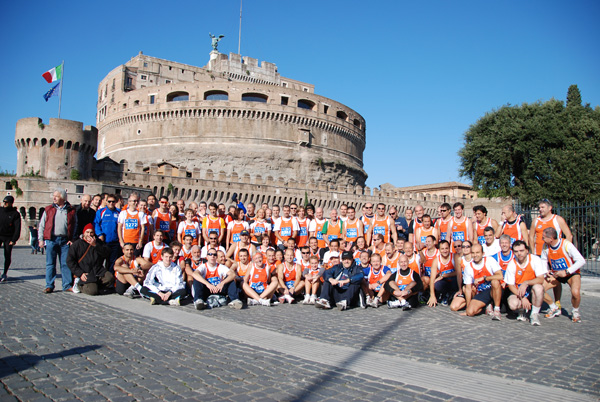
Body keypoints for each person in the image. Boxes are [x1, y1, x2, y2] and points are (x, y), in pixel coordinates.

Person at [541, 227, 585, 323]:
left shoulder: (566, 244)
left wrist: (567, 271)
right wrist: (546, 271)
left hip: (571, 273)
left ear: (551, 238)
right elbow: (543, 260)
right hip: (556, 274)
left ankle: (575, 311)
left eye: (543, 237)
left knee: (575, 293)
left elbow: (581, 260)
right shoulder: (545, 246)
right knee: (539, 290)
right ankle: (554, 307)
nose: (542, 239)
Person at [39, 188, 76, 293]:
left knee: (65, 263)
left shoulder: (70, 210)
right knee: (50, 263)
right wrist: (41, 239)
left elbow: (75, 225)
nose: (54, 198)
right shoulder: (48, 209)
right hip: (51, 239)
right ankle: (49, 285)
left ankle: (67, 285)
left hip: (65, 240)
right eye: (54, 196)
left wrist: (72, 238)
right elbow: (42, 225)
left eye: (57, 196)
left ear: (63, 198)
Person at [505, 240, 547, 325]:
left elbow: (541, 279)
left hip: (531, 290)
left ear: (527, 250)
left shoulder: (535, 260)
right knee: (513, 304)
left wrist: (526, 283)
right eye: (516, 251)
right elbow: (510, 285)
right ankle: (521, 310)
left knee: (539, 288)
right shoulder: (512, 264)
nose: (519, 253)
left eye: (521, 251)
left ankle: (534, 314)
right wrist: (522, 298)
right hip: (518, 292)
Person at [67, 224, 115, 295]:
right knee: (93, 291)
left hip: (98, 270)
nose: (89, 234)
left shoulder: (98, 242)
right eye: (87, 232)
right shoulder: (77, 244)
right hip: (85, 271)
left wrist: (95, 245)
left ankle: (96, 286)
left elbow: (106, 253)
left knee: (110, 278)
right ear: (84, 233)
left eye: (91, 232)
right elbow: (70, 261)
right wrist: (80, 273)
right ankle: (79, 285)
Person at [462, 244, 503, 320]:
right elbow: (468, 289)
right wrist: (468, 307)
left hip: (494, 290)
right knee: (470, 312)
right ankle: (486, 306)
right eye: (473, 253)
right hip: (482, 293)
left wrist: (485, 278)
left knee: (495, 282)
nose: (475, 255)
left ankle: (497, 310)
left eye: (477, 252)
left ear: (483, 253)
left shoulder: (490, 260)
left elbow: (500, 276)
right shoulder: (468, 268)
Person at [94, 194, 121, 272]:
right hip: (103, 241)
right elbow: (96, 224)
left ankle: (110, 281)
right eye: (109, 201)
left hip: (114, 242)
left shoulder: (119, 212)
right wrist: (99, 234)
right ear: (106, 201)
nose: (111, 203)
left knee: (112, 263)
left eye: (113, 201)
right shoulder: (101, 212)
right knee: (100, 261)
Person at [427, 240, 459, 307]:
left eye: (446, 248)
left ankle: (454, 294)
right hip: (445, 283)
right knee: (436, 284)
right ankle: (445, 294)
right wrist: (432, 296)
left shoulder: (454, 257)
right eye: (442, 249)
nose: (445, 251)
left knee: (456, 279)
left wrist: (444, 275)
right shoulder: (436, 260)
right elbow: (432, 279)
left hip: (454, 281)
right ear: (439, 250)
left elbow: (459, 272)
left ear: (449, 248)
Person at [0, 196, 21, 281]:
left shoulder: (15, 214)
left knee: (7, 254)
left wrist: (14, 240)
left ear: (11, 203)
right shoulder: (0, 210)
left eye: (6, 202)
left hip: (9, 237)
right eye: (4, 202)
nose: (4, 203)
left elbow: (17, 227)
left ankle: (5, 273)